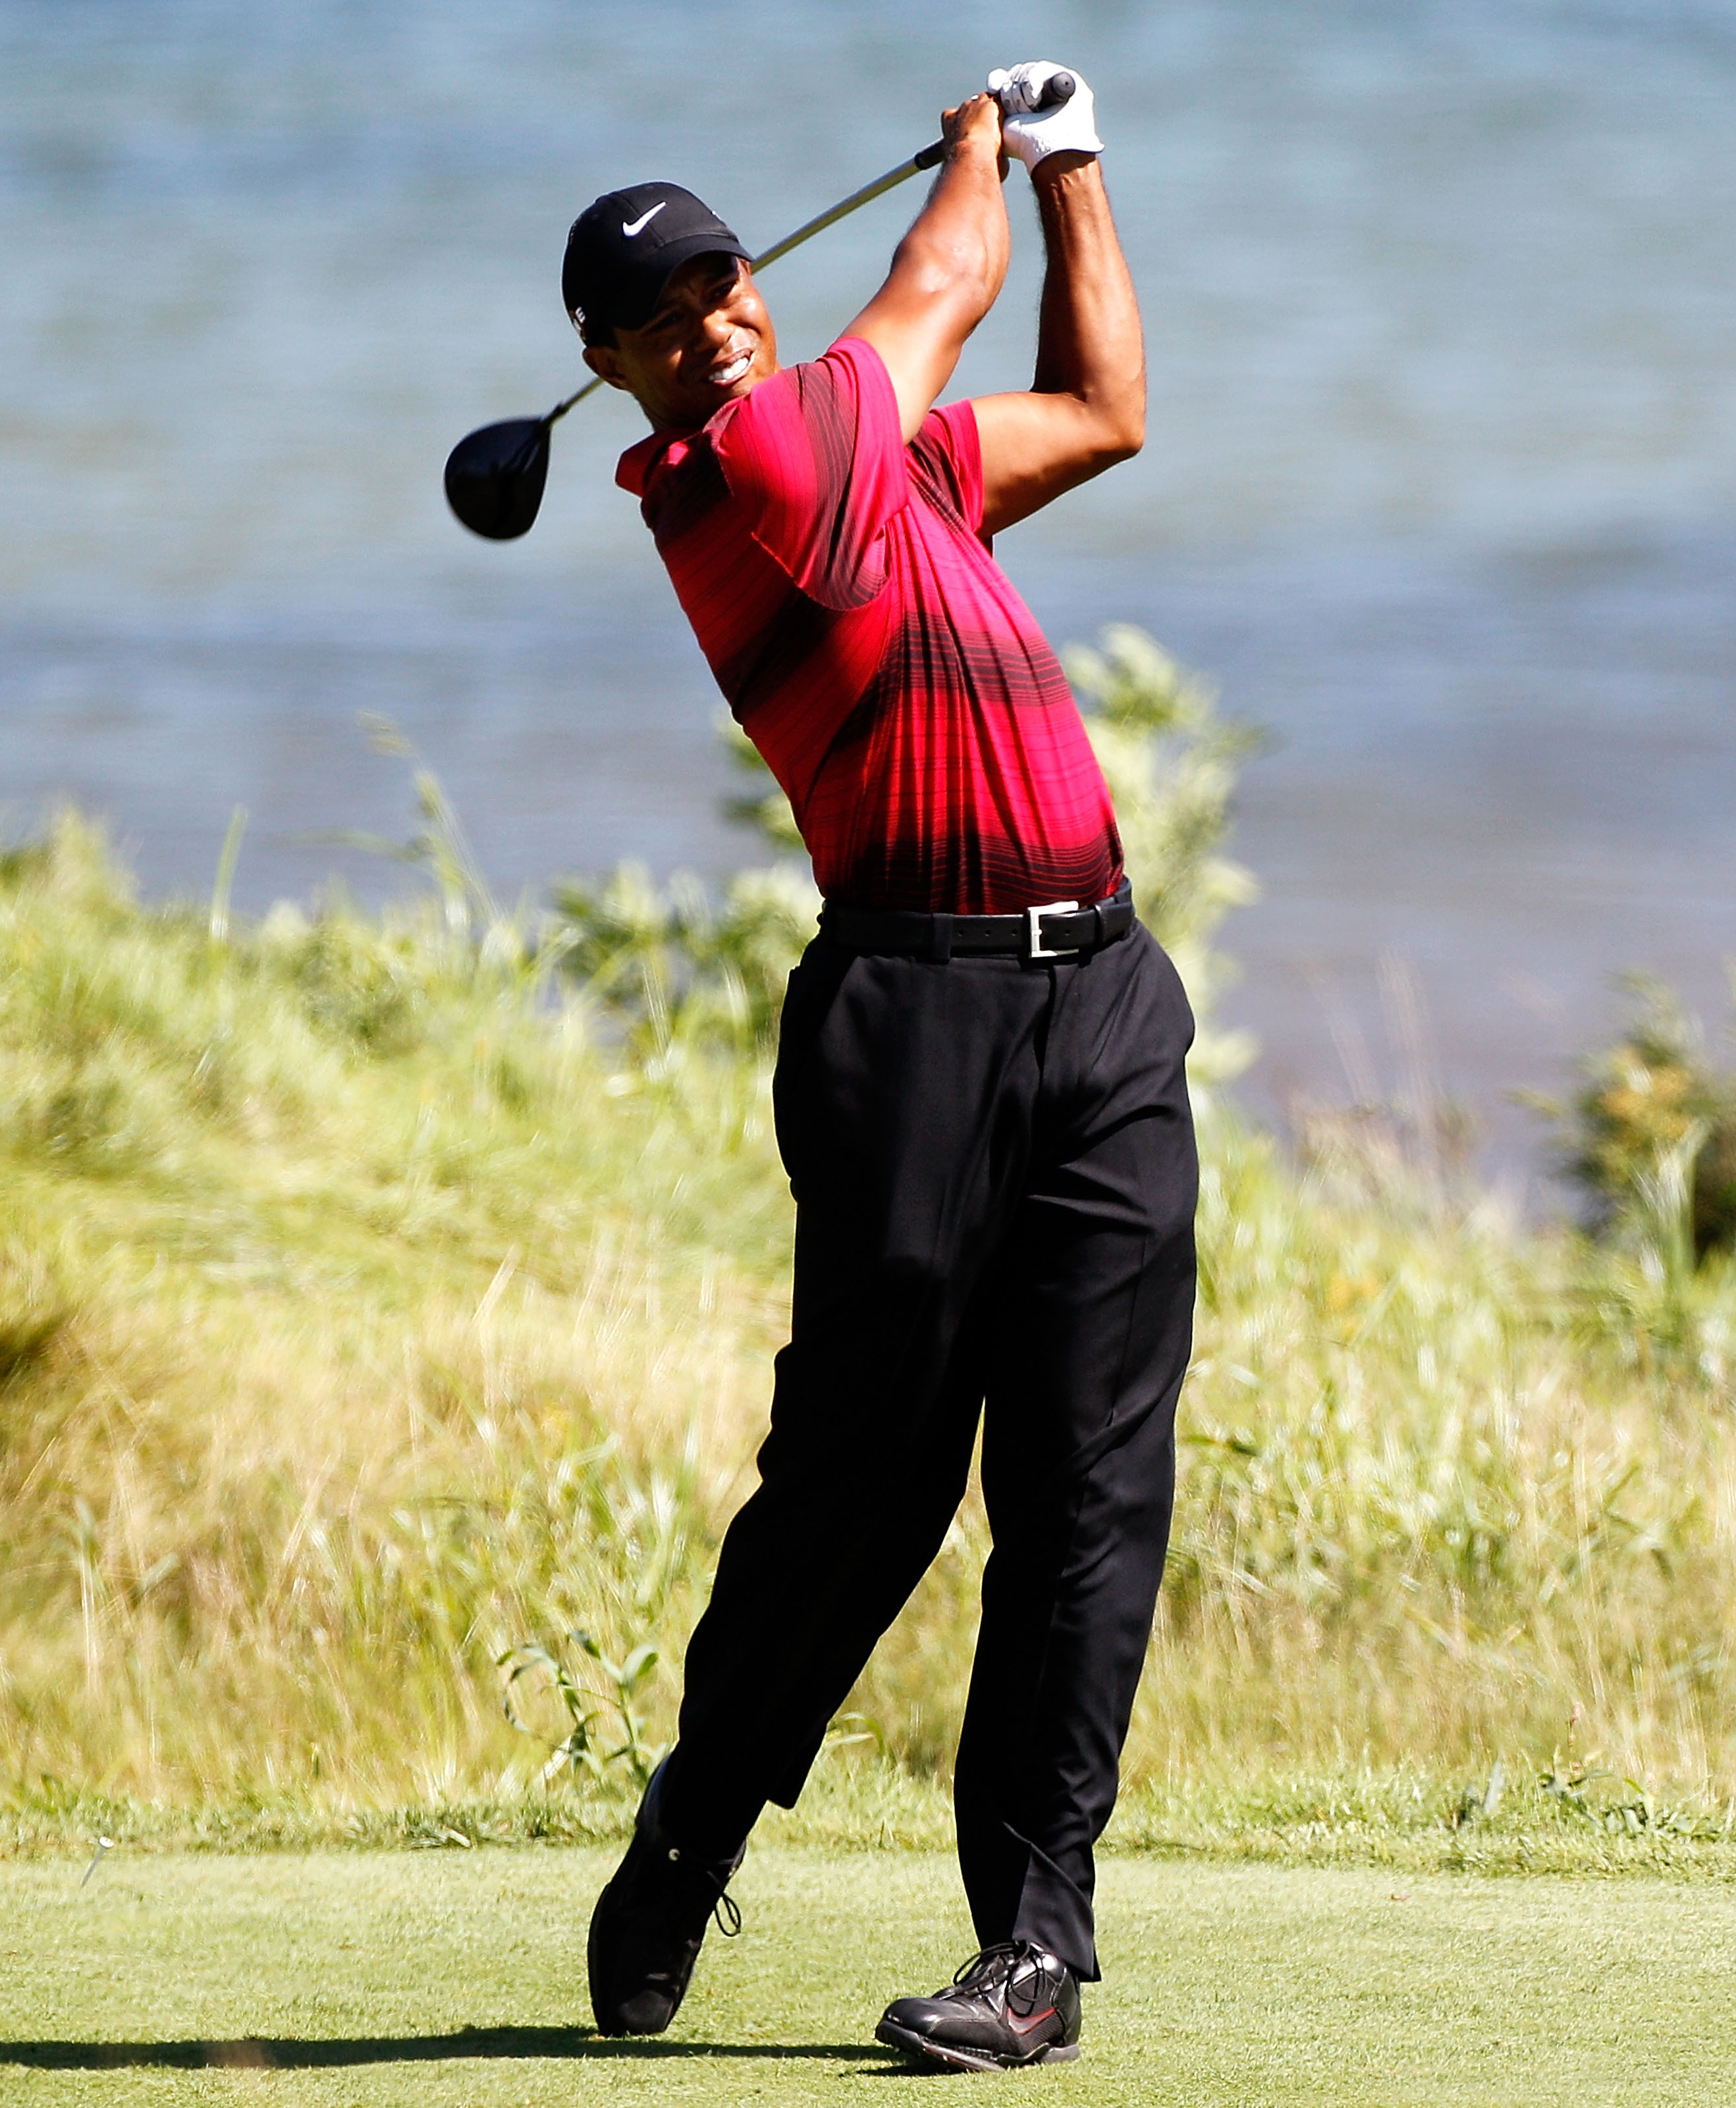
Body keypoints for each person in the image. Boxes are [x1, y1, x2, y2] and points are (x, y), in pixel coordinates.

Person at [560, 63, 1192, 2074]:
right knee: (858, 1497)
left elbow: (1103, 410)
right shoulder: (752, 478)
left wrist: (1077, 172)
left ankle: (1032, 1947)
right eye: (663, 315)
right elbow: (933, 281)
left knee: (1084, 1491)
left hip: (1095, 997)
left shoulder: (879, 466)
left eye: (725, 278)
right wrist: (983, 147)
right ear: (613, 367)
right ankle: (694, 1827)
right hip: (904, 1024)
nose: (713, 316)